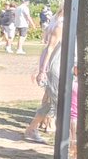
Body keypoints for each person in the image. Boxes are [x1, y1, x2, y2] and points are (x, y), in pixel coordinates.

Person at [23, 14, 64, 143]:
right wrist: (42, 70)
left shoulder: (61, 23)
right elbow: (49, 48)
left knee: (50, 101)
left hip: (62, 66)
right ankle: (61, 134)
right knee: (57, 101)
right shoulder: (60, 25)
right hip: (56, 67)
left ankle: (33, 129)